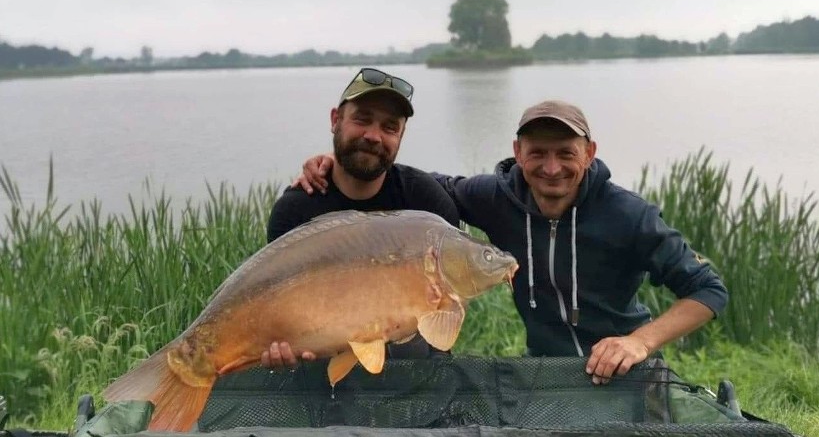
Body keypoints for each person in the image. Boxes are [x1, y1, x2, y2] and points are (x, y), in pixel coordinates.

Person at [295, 100, 728, 384]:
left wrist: (639, 342)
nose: (551, 168)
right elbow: (407, 183)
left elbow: (708, 291)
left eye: (566, 153)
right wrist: (335, 166)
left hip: (626, 368)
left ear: (590, 153)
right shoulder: (494, 197)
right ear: (518, 152)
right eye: (537, 153)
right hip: (545, 372)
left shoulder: (629, 215)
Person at [261, 67, 460, 369]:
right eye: (362, 119)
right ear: (335, 120)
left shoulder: (427, 202)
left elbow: (446, 307)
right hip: (322, 367)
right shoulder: (295, 211)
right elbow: (279, 307)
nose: (373, 136)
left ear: (401, 136)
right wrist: (278, 346)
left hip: (413, 370)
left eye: (390, 127)